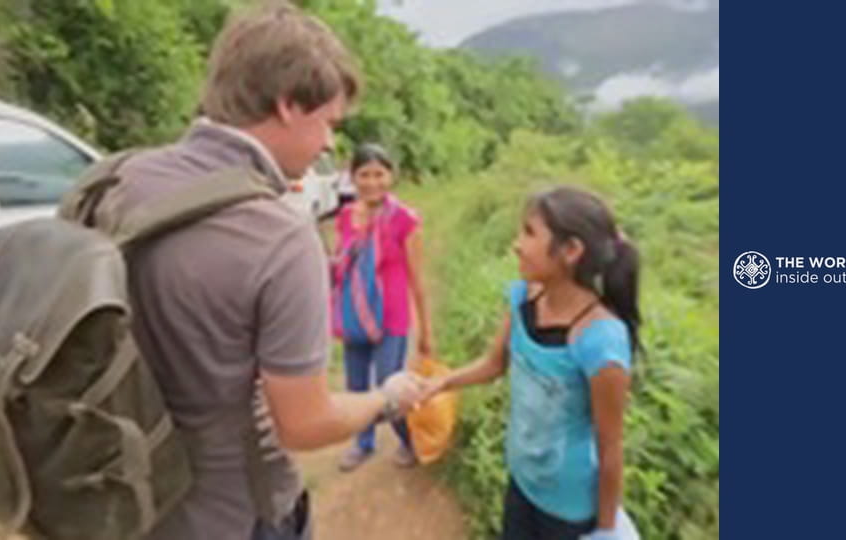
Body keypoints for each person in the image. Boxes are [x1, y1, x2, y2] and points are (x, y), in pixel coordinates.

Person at [100, 5, 428, 539]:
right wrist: (386, 398)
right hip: (232, 513)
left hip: (120, 495)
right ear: (288, 105)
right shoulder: (280, 237)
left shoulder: (120, 179)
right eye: (328, 123)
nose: (329, 144)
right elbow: (304, 424)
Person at [423, 185, 641, 540]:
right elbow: (494, 364)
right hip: (523, 482)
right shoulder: (525, 299)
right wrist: (442, 383)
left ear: (570, 251)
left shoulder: (600, 341)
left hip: (569, 510)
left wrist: (604, 530)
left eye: (529, 233)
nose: (516, 245)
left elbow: (610, 448)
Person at [331, 143, 435, 471]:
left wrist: (426, 332)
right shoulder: (346, 216)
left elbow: (417, 280)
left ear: (392, 176)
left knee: (391, 386)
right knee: (356, 386)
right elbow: (340, 266)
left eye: (379, 174)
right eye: (364, 174)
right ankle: (363, 444)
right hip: (355, 315)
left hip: (391, 319)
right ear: (352, 177)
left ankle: (408, 440)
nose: (372, 182)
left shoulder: (405, 220)